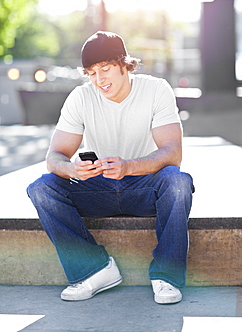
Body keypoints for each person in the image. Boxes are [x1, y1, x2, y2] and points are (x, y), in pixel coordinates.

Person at [27, 31, 194, 304]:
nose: (99, 80)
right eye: (91, 73)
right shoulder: (80, 98)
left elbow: (172, 152)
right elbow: (54, 156)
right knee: (41, 188)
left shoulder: (155, 90)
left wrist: (129, 166)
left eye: (105, 69)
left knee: (177, 181)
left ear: (124, 64)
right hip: (98, 188)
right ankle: (95, 271)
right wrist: (72, 170)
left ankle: (167, 277)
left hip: (144, 186)